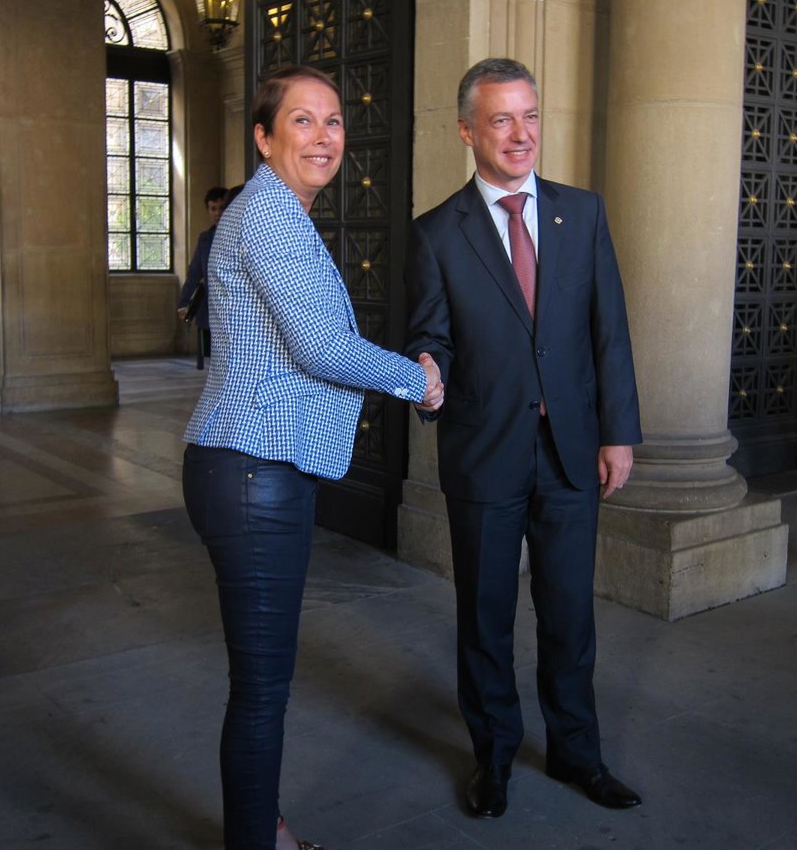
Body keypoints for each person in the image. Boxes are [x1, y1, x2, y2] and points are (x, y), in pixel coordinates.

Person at [181, 65, 443, 850]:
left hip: (253, 465)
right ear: (264, 138)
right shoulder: (268, 213)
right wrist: (418, 380)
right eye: (302, 120)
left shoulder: (275, 210)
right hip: (252, 471)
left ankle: (263, 829)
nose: (325, 136)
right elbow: (321, 346)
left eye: (333, 121)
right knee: (263, 689)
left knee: (262, 684)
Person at [405, 58, 643, 820]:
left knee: (571, 615)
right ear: (467, 131)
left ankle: (578, 754)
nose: (520, 134)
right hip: (484, 452)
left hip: (571, 451)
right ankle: (494, 757)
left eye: (530, 116)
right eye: (501, 119)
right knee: (485, 618)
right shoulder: (436, 233)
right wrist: (427, 369)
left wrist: (619, 434)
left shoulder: (584, 213)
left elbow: (609, 332)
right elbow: (431, 335)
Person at [178, 185, 227, 369]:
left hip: (234, 306)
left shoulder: (241, 235)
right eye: (213, 209)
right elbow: (194, 273)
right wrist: (184, 303)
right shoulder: (205, 239)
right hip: (212, 307)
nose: (217, 213)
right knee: (215, 360)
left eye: (221, 208)